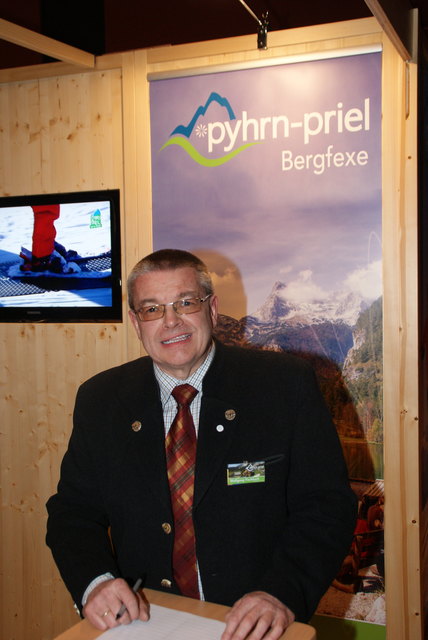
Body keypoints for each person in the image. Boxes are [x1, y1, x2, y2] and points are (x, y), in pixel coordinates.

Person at [46, 248, 357, 639]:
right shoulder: (101, 399)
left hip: (253, 625)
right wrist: (96, 582)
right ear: (136, 322)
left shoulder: (283, 385)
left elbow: (326, 506)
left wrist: (282, 592)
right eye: (152, 309)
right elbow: (73, 512)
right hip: (144, 623)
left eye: (185, 303)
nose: (171, 321)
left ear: (212, 309)